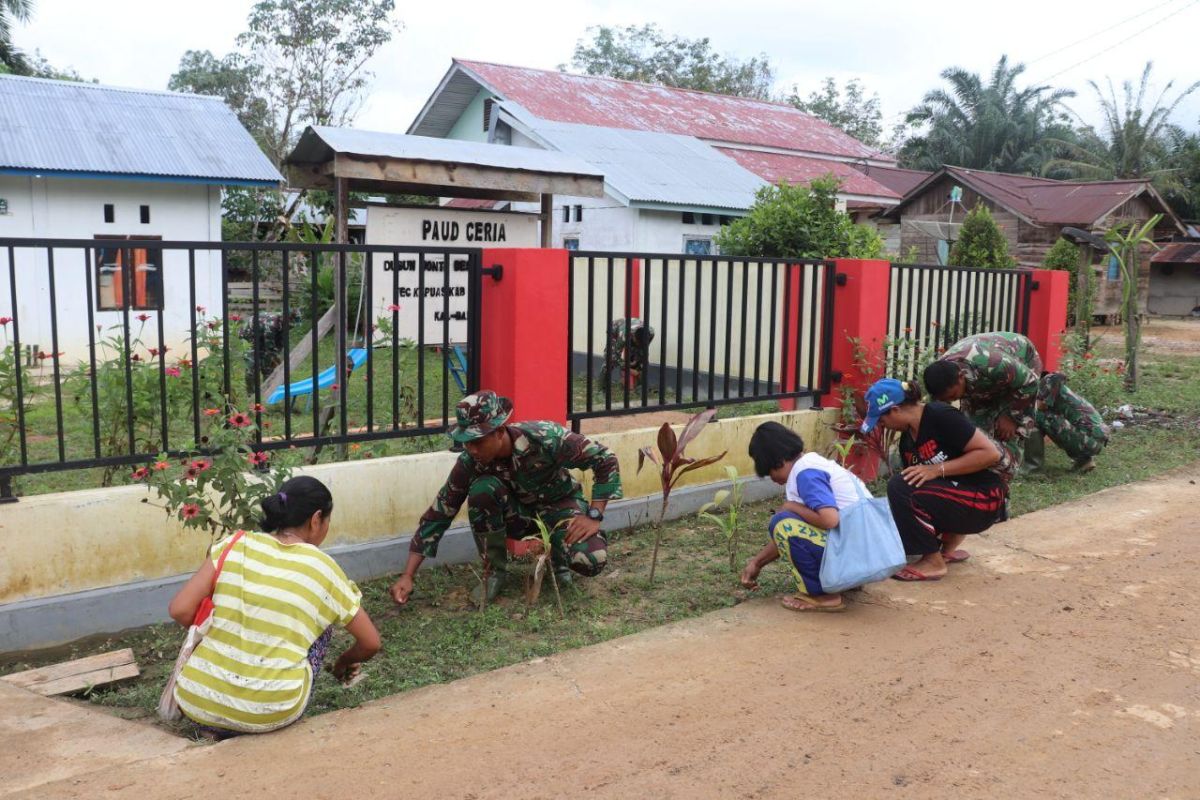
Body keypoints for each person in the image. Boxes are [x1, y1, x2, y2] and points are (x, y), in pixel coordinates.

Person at [168, 476, 380, 736]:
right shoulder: (324, 569)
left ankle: (220, 711)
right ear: (316, 519)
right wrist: (342, 663)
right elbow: (370, 642)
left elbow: (180, 609)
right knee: (321, 624)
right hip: (272, 710)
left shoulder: (235, 544)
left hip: (197, 703)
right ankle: (255, 704)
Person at [390, 390, 621, 607]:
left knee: (593, 559)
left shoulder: (544, 437)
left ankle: (559, 559)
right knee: (482, 489)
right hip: (519, 517)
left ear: (500, 431)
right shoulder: (470, 463)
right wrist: (408, 575)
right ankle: (494, 574)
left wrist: (594, 514)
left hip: (560, 508)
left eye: (478, 441)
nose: (471, 449)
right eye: (466, 442)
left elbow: (604, 458)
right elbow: (440, 513)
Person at [862, 378, 1008, 582]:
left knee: (899, 485)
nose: (881, 425)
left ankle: (933, 562)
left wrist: (936, 470)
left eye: (881, 420)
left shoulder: (940, 416)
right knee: (908, 487)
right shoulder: (907, 442)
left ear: (894, 410)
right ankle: (946, 548)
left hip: (986, 498)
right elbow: (918, 496)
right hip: (961, 499)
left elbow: (990, 454)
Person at [739, 421, 871, 612]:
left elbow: (829, 520)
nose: (773, 479)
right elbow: (803, 532)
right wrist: (757, 563)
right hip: (866, 553)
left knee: (782, 523)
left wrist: (791, 506)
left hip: (856, 554)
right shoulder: (812, 464)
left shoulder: (806, 474)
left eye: (769, 471)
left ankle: (822, 596)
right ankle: (846, 581)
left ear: (778, 461)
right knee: (787, 523)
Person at [922, 331, 1041, 477]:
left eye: (953, 396)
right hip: (980, 380)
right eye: (947, 399)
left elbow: (1030, 383)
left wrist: (1011, 417)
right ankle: (981, 470)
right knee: (976, 432)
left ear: (961, 377)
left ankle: (1004, 474)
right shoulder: (939, 379)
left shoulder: (993, 363)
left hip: (1021, 365)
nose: (951, 400)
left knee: (1007, 431)